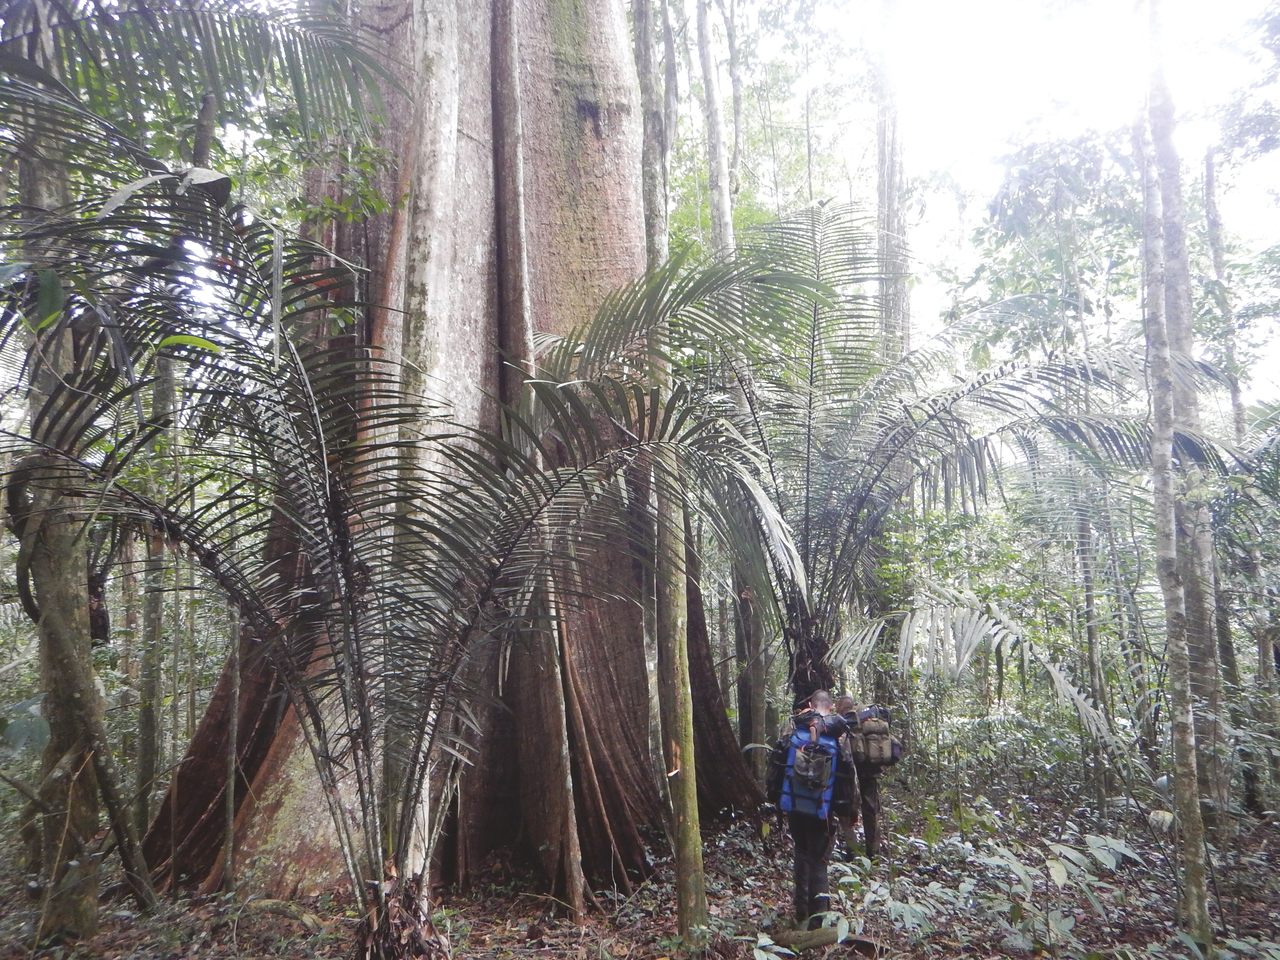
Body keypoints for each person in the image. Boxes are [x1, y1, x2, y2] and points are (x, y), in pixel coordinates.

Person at [773, 689, 848, 929]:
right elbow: (847, 776)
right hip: (822, 808)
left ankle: (801, 911)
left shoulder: (795, 727)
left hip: (794, 802)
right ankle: (820, 917)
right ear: (831, 707)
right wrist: (845, 810)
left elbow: (778, 762)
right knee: (819, 859)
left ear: (810, 704)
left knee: (801, 851)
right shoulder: (839, 734)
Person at [835, 695, 882, 861]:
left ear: (841, 707)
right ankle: (873, 851)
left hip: (848, 776)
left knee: (846, 811)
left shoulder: (842, 724)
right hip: (870, 772)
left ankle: (852, 851)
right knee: (871, 810)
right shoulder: (866, 722)